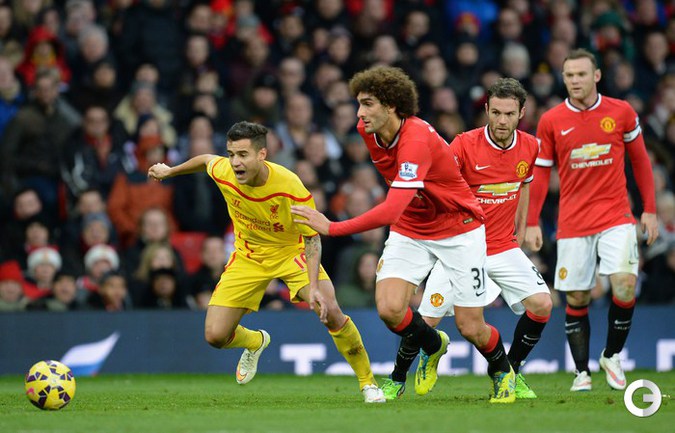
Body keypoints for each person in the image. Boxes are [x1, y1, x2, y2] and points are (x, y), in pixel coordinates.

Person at [291, 66, 516, 403]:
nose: (359, 113)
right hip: (412, 227)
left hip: (458, 228)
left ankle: (501, 370)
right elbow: (400, 207)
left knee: (471, 326)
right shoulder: (367, 131)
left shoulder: (417, 140)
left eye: (368, 104)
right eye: (359, 104)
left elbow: (391, 209)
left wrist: (332, 227)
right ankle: (433, 344)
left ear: (392, 106)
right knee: (389, 309)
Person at [147, 121, 385, 403]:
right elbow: (206, 160)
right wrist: (171, 171)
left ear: (262, 154)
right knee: (215, 335)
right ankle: (255, 341)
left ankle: (368, 383)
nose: (235, 162)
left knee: (330, 310)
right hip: (248, 257)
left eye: (243, 155)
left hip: (290, 253)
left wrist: (313, 287)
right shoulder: (225, 171)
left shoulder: (289, 185)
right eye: (231, 154)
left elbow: (312, 240)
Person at [380, 78, 553, 400]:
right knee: (426, 320)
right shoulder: (462, 145)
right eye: (496, 112)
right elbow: (437, 185)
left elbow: (524, 184)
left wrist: (526, 226)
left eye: (509, 114)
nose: (502, 121)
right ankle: (396, 378)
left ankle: (511, 371)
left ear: (522, 113)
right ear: (486, 110)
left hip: (501, 246)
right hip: (460, 245)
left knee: (542, 304)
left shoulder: (530, 146)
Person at [525, 48, 658, 392]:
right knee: (577, 298)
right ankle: (582, 372)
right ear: (563, 78)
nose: (575, 81)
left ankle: (611, 356)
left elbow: (641, 161)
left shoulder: (621, 112)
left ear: (596, 76)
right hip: (573, 221)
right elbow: (541, 173)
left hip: (616, 215)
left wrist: (650, 208)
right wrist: (533, 220)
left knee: (624, 284)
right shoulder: (551, 120)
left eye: (581, 74)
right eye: (569, 75)